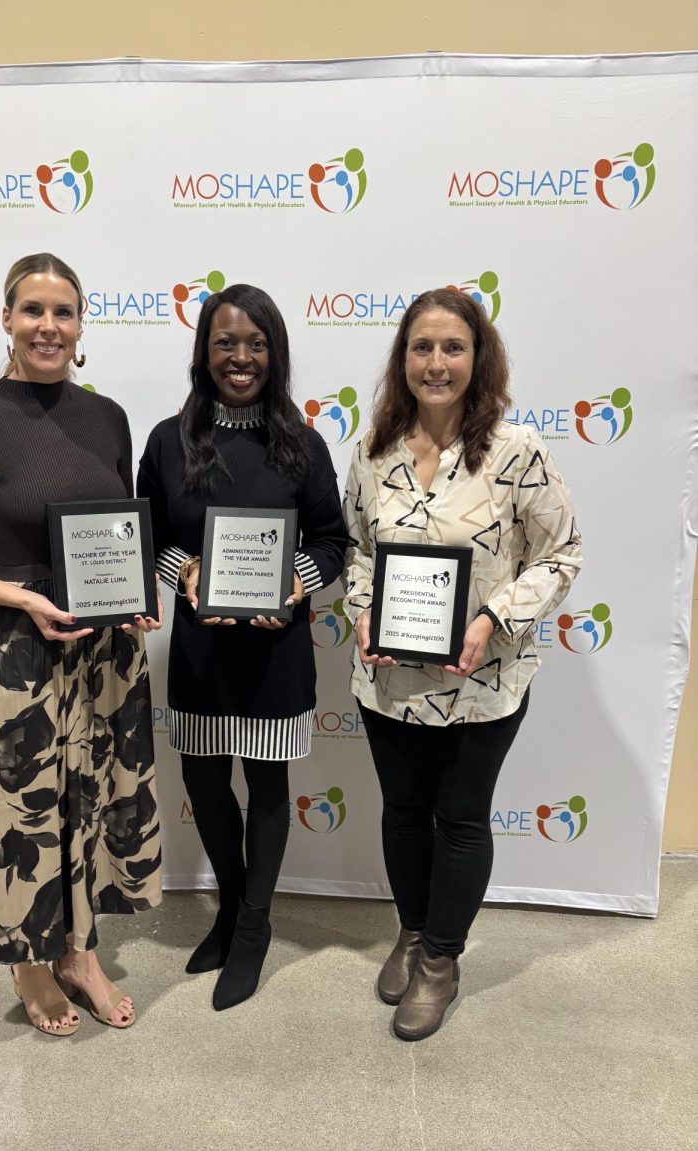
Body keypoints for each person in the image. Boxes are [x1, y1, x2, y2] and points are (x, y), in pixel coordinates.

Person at [0, 252, 162, 1037]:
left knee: (96, 799)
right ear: (7, 318)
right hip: (22, 650)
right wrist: (18, 595)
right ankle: (27, 961)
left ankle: (79, 953)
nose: (49, 326)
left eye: (64, 313)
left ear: (81, 327)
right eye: (33, 311)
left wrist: (137, 595)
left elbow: (116, 531)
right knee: (27, 815)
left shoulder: (108, 416)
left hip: (106, 653)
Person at [343, 288, 581, 1040]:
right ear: (402, 359)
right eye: (422, 348)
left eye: (452, 348)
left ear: (479, 358)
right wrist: (362, 609)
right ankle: (412, 932)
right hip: (388, 678)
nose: (436, 363)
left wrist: (492, 618)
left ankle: (441, 960)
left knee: (462, 818)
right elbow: (356, 550)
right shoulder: (373, 448)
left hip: (483, 680)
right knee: (405, 814)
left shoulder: (518, 453)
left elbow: (562, 553)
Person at [138, 283, 348, 1010]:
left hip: (276, 655)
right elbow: (150, 538)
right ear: (204, 350)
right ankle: (230, 905)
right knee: (203, 785)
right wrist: (186, 573)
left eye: (256, 343)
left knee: (265, 790)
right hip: (199, 654)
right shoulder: (169, 440)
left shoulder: (303, 443)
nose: (240, 357)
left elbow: (333, 541)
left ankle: (253, 929)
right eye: (226, 341)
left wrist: (296, 582)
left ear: (275, 353)